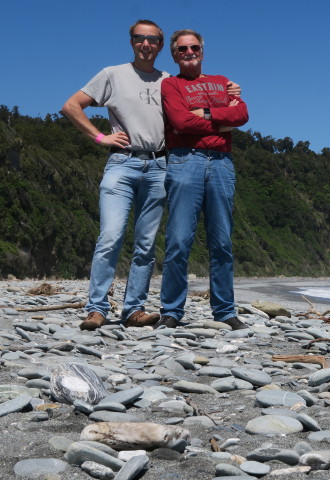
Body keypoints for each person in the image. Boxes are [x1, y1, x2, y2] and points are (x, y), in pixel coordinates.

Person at [61, 20, 240, 330]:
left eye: (152, 40)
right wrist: (100, 138)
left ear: (160, 47)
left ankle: (134, 309)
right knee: (111, 236)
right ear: (132, 41)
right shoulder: (112, 74)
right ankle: (97, 308)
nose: (146, 44)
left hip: (160, 165)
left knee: (146, 245)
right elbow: (72, 105)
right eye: (140, 38)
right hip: (122, 163)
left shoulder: (171, 80)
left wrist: (227, 96)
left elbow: (232, 113)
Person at [157, 29, 249, 330]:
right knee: (178, 241)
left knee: (221, 242)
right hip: (185, 161)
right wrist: (222, 123)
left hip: (222, 164)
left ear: (202, 51)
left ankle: (225, 311)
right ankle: (171, 311)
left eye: (193, 47)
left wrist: (206, 111)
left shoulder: (223, 82)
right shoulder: (170, 84)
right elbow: (180, 121)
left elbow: (243, 115)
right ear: (174, 54)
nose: (188, 52)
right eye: (182, 49)